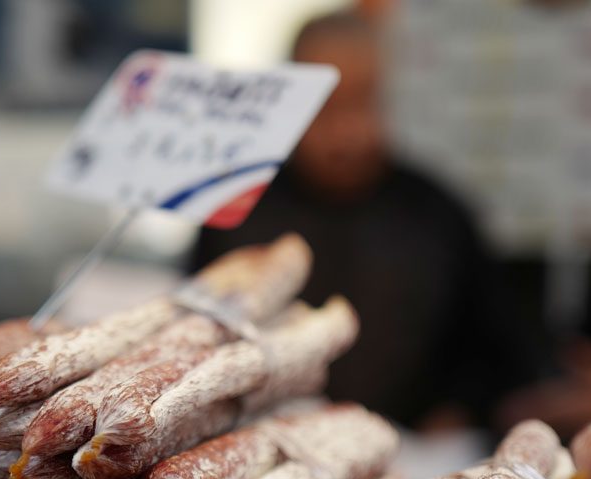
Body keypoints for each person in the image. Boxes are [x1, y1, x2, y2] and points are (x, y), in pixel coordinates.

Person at [192, 10, 537, 433]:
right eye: (323, 107)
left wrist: (461, 411)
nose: (343, 132)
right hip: (256, 441)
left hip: (411, 453)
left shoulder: (438, 214)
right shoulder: (236, 210)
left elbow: (498, 351)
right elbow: (195, 337)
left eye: (361, 100)